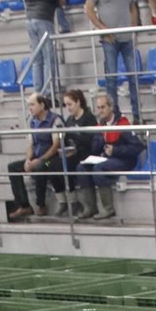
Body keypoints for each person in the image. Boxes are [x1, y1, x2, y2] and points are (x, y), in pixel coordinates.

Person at [85, 0, 142, 124]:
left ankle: (137, 116)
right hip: (109, 40)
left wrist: (134, 28)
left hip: (127, 38)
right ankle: (114, 118)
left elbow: (133, 5)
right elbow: (88, 8)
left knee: (134, 78)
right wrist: (103, 29)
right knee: (112, 79)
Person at [5, 92, 63, 220]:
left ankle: (41, 205)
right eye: (29, 105)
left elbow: (55, 146)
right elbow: (30, 145)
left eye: (32, 105)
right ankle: (24, 205)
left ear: (42, 105)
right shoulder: (33, 122)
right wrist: (28, 160)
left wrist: (39, 160)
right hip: (36, 157)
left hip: (51, 160)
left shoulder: (55, 120)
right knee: (13, 167)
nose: (30, 108)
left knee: (41, 167)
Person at [88, 88, 144, 220]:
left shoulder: (122, 124)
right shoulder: (100, 125)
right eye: (98, 107)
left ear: (111, 107)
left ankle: (108, 208)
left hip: (125, 160)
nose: (100, 110)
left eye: (103, 107)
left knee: (98, 169)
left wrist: (115, 150)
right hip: (108, 159)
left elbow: (137, 147)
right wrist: (100, 140)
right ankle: (89, 207)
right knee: (81, 167)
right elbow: (94, 149)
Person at [19, 0, 60, 101]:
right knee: (49, 57)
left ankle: (38, 95)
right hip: (43, 16)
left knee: (36, 59)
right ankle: (49, 95)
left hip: (29, 17)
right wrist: (59, 1)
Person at [60, 86, 101, 217]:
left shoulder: (89, 118)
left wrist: (74, 135)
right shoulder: (69, 120)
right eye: (65, 105)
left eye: (70, 104)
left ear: (78, 102)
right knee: (52, 164)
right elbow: (67, 137)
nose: (68, 108)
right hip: (73, 152)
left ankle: (86, 205)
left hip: (87, 153)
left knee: (74, 166)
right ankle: (69, 201)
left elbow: (91, 140)